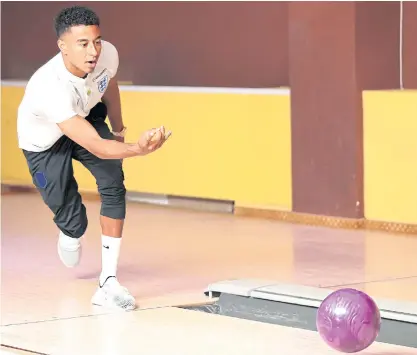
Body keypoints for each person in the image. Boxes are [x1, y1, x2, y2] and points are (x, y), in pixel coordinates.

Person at [16, 5, 170, 310]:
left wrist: (120, 129)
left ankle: (108, 282)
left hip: (85, 116)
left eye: (97, 41)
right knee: (73, 220)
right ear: (63, 47)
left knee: (113, 181)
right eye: (83, 44)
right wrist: (139, 149)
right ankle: (69, 230)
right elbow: (97, 146)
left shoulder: (106, 55)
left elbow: (108, 85)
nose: (94, 51)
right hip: (45, 143)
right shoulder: (49, 87)